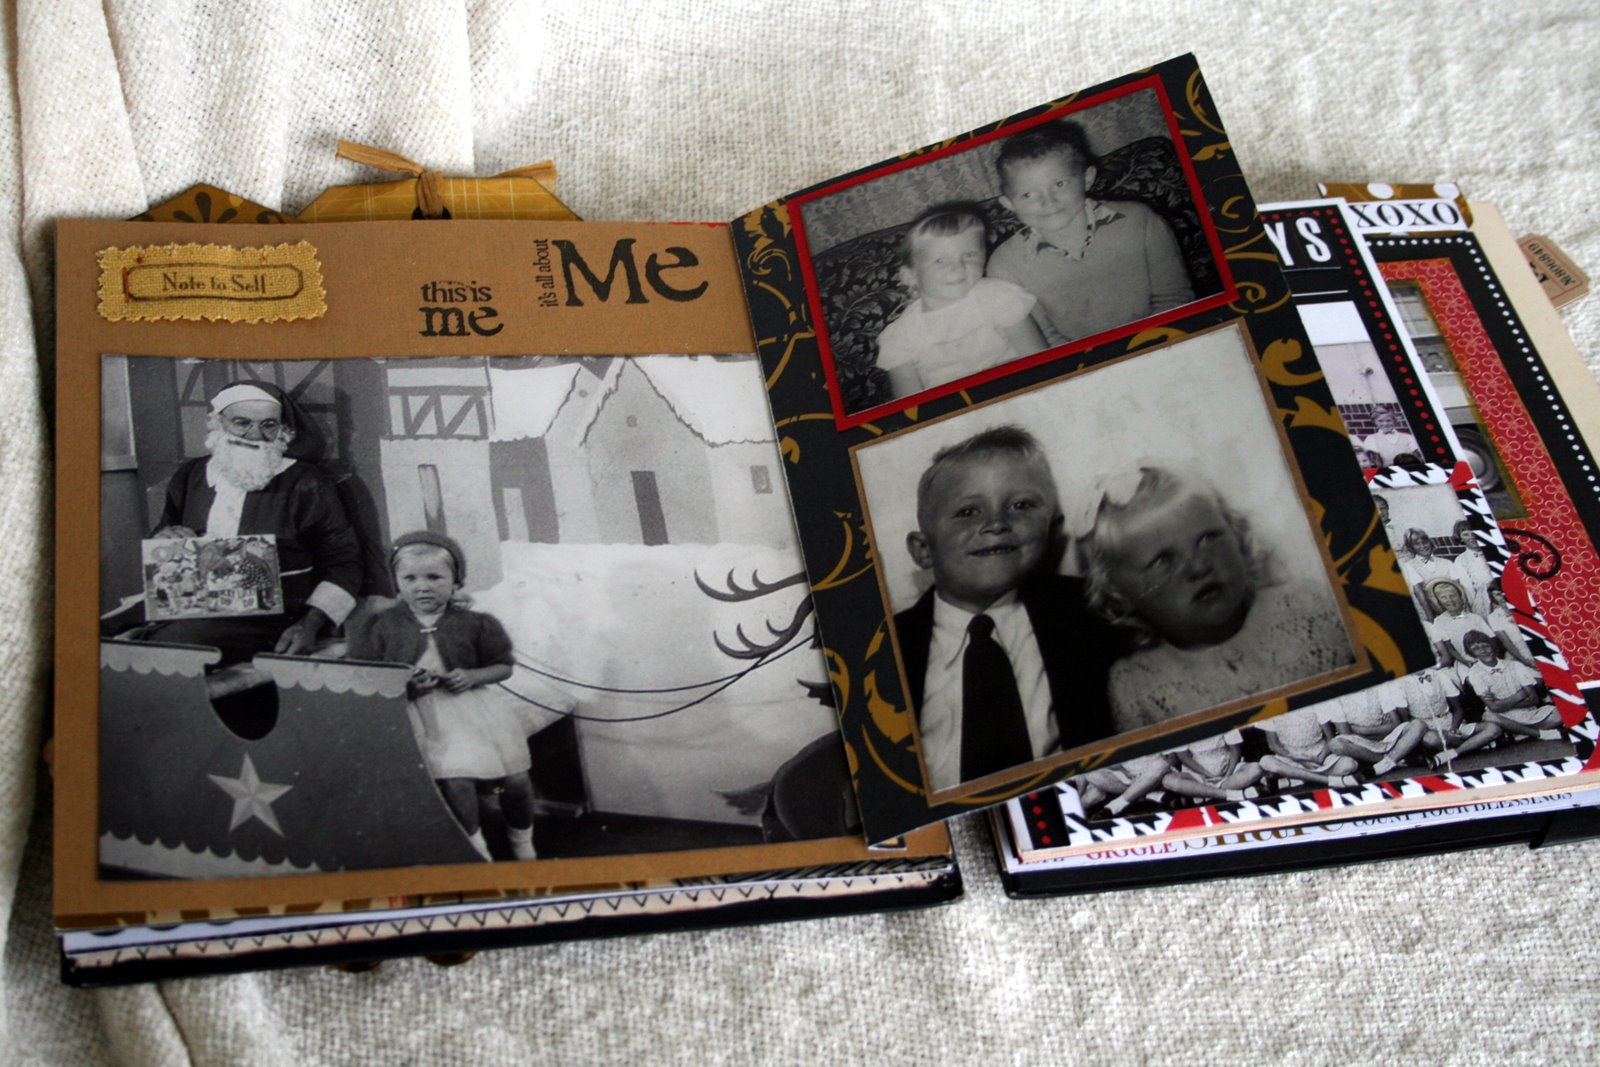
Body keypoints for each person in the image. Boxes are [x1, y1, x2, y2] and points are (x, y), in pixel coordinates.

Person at [894, 425, 1119, 792]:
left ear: (1052, 530)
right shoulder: (888, 649)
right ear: (923, 550)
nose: (996, 523)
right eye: (968, 511)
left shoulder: (1095, 613)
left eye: (1021, 506)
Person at [1076, 465, 1353, 732]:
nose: (1199, 567)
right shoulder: (1135, 687)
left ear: (1236, 534)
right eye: (1163, 560)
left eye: (1208, 538)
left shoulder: (1312, 605)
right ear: (1120, 595)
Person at [135, 380, 363, 664]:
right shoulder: (192, 474)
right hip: (186, 604)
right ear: (218, 423)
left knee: (170, 647)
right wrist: (164, 537)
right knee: (108, 630)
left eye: (269, 425)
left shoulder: (306, 482)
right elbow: (164, 532)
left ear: (283, 430)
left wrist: (310, 624)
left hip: (272, 618)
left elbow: (345, 563)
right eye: (241, 423)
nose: (255, 435)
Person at [347, 531, 537, 862]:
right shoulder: (382, 625)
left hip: (474, 710)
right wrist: (406, 685)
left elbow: (503, 667)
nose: (422, 587)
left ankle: (522, 840)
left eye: (435, 577)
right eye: (410, 578)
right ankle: (476, 849)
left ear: (455, 581)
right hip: (421, 714)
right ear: (396, 582)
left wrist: (473, 675)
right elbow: (368, 676)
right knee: (456, 779)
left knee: (517, 779)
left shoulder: (477, 622)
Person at [985, 120, 1194, 346]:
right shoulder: (1004, 266)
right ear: (1009, 203)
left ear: (1087, 179)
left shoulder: (1140, 219)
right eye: (1028, 195)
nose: (1048, 201)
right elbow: (1045, 337)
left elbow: (1175, 297)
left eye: (1060, 184)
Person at [875, 203, 1046, 399]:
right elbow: (910, 403)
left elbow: (1039, 358)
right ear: (910, 275)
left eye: (969, 255)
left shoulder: (998, 296)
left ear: (984, 256)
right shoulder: (901, 336)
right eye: (940, 260)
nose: (958, 266)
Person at [1391, 662, 1501, 769]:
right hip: (1428, 730)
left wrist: (1454, 728)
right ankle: (1477, 744)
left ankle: (1452, 753)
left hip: (1450, 722)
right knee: (1431, 739)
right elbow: (1407, 722)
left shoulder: (1439, 675)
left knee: (1493, 729)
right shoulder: (1400, 684)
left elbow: (1458, 708)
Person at [1462, 629, 1563, 741]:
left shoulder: (1515, 665)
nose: (1483, 651)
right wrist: (1520, 695)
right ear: (1471, 653)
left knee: (1560, 713)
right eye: (1476, 649)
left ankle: (1520, 733)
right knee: (1489, 716)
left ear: (1492, 646)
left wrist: (1501, 703)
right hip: (1503, 717)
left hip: (1528, 712)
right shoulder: (1474, 673)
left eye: (1486, 646)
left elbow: (1534, 699)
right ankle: (1540, 734)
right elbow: (1494, 707)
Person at [1323, 686, 1427, 777]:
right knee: (1335, 744)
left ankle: (1384, 764)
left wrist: (1363, 730)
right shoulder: (1337, 698)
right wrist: (1381, 728)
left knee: (1419, 725)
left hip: (1387, 738)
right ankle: (1390, 760)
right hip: (1361, 744)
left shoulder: (1379, 688)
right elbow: (1345, 733)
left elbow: (1396, 723)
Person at [1422, 578, 1494, 668]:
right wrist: (1466, 662)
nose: (1450, 600)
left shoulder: (1475, 618)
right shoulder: (1439, 622)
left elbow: (1491, 639)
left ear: (1460, 597)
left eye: (1453, 596)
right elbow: (1449, 647)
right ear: (1438, 601)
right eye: (1443, 597)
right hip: (1464, 662)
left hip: (1487, 657)